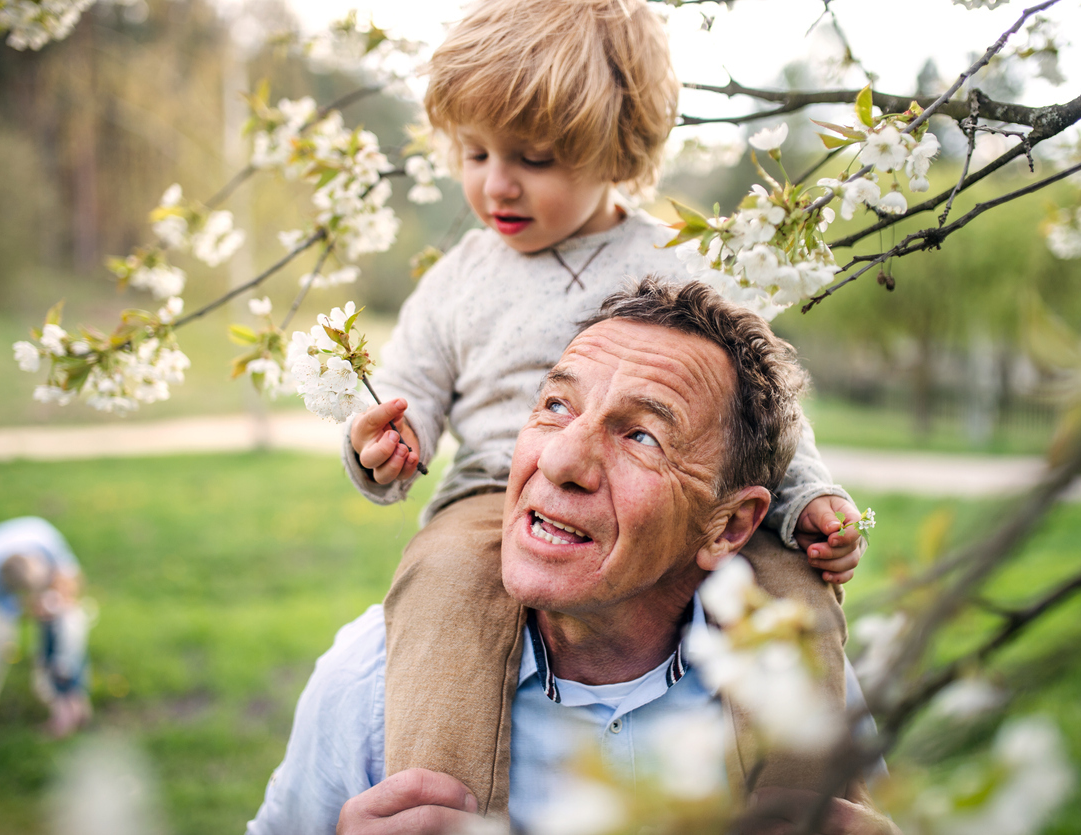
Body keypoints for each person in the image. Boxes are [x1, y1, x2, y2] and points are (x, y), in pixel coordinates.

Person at [342, 0, 868, 790]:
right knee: (444, 580)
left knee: (791, 587)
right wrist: (382, 444)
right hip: (497, 494)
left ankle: (813, 802)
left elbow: (763, 416)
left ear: (617, 150)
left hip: (676, 500)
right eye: (475, 153)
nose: (496, 184)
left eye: (535, 159)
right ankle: (438, 799)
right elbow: (406, 388)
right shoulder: (459, 279)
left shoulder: (680, 261)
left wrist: (809, 498)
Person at [249, 280, 897, 835]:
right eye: (555, 405)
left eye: (641, 434)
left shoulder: (797, 689)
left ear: (728, 526)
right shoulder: (372, 679)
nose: (559, 461)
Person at [0, 516, 92, 738]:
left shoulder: (47, 542)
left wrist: (59, 601)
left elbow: (73, 580)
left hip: (35, 553)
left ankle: (60, 693)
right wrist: (30, 608)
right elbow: (9, 610)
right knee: (0, 639)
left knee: (69, 626)